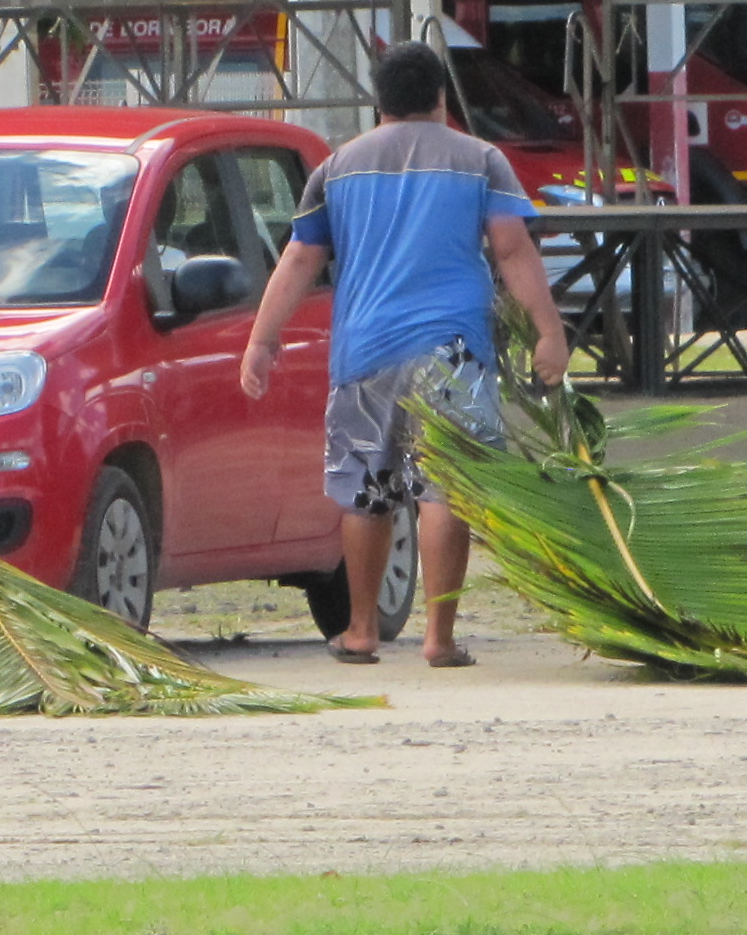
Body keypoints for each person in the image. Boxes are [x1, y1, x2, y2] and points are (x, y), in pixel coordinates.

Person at [237, 38, 570, 669]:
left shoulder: (337, 167)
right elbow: (512, 250)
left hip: (364, 353)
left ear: (380, 102)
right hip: (454, 354)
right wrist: (548, 331)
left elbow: (302, 257)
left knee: (366, 491)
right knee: (447, 491)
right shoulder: (481, 161)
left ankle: (362, 631)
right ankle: (439, 638)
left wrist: (262, 338)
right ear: (442, 97)